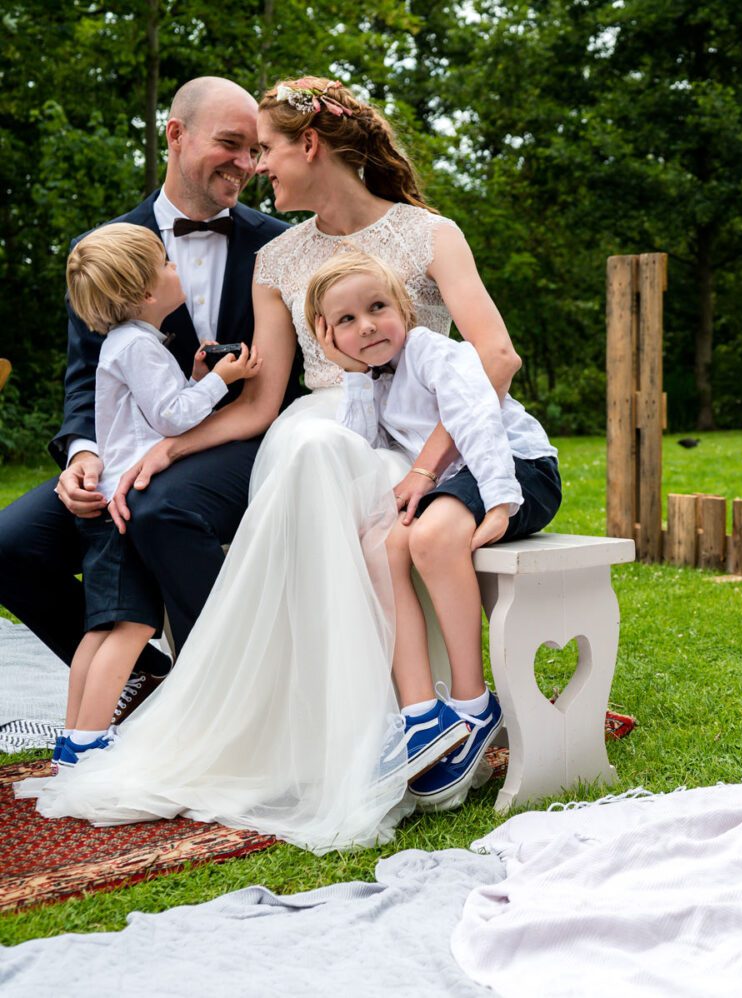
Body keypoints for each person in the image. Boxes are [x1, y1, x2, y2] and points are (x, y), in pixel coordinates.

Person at [18, 76, 525, 854]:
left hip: (424, 424)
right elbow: (257, 406)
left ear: (310, 146)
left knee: (315, 457)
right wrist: (170, 445)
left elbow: (492, 358)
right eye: (242, 149)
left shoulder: (429, 234)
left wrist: (430, 462)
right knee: (310, 445)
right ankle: (286, 708)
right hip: (322, 417)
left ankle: (397, 715)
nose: (257, 168)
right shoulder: (276, 254)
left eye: (266, 151)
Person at [0, 78, 291, 722]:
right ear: (176, 134)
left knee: (158, 507)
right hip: (130, 449)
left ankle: (223, 685)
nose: (247, 164)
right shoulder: (104, 249)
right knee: (8, 543)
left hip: (239, 443)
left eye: (254, 150)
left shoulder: (277, 241)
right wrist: (81, 455)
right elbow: (86, 380)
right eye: (230, 144)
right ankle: (143, 677)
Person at [308, 251, 560, 810]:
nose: (367, 325)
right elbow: (359, 447)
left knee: (429, 536)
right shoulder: (371, 380)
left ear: (404, 310)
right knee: (381, 547)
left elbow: (477, 418)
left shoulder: (431, 352)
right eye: (346, 321)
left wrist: (499, 499)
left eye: (377, 308)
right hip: (459, 484)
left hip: (517, 468)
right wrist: (349, 375)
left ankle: (474, 703)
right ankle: (420, 714)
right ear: (327, 336)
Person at [55, 224, 263, 767]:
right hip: (126, 506)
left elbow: (157, 411)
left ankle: (73, 738)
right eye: (167, 266)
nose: (177, 271)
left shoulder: (130, 343)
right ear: (148, 293)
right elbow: (172, 419)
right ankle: (92, 744)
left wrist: (195, 375)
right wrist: (221, 378)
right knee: (132, 625)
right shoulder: (139, 347)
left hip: (107, 506)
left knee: (101, 623)